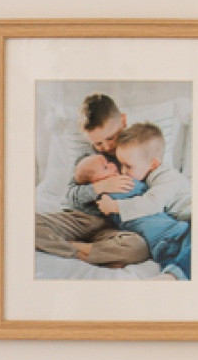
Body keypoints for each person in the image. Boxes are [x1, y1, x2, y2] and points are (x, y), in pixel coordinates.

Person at [35, 91, 149, 266]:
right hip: (79, 219)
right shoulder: (87, 158)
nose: (106, 146)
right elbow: (71, 195)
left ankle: (82, 249)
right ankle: (80, 253)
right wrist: (101, 186)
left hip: (110, 227)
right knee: (27, 224)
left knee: (139, 247)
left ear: (123, 121)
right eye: (98, 143)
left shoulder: (133, 153)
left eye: (111, 137)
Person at [79, 121, 192, 277]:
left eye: (128, 166)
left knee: (194, 246)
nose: (123, 172)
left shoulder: (167, 178)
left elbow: (151, 204)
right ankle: (172, 273)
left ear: (153, 164)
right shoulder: (145, 175)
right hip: (178, 227)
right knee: (171, 252)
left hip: (194, 217)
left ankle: (174, 276)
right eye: (121, 165)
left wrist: (116, 206)